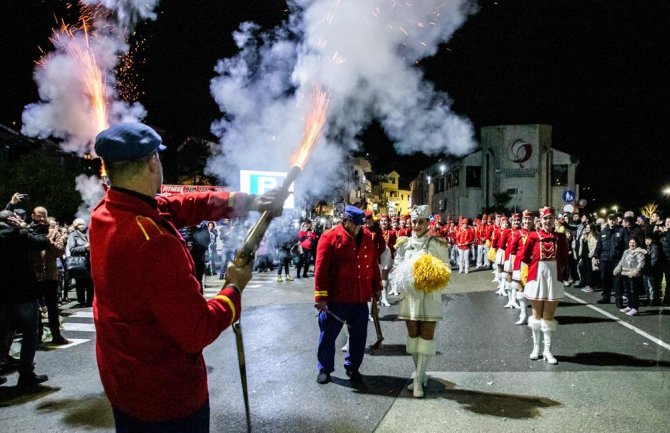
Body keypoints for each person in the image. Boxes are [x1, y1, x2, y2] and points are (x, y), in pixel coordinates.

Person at [89, 122, 286, 432]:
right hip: (165, 399)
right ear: (153, 161)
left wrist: (249, 201)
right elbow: (197, 331)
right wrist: (234, 286)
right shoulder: (152, 240)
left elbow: (184, 204)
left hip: (124, 382)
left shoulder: (106, 210)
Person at [314, 205, 382, 385]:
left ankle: (353, 367)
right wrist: (321, 298)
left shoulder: (367, 236)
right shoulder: (329, 237)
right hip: (337, 298)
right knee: (328, 335)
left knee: (359, 336)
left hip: (360, 297)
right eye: (356, 225)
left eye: (361, 225)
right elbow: (321, 270)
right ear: (346, 221)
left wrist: (377, 286)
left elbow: (372, 263)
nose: (359, 228)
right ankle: (325, 368)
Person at [390, 204, 450, 398]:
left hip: (430, 295)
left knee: (426, 337)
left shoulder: (438, 243)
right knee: (413, 337)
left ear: (427, 223)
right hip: (411, 296)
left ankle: (418, 381)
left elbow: (446, 268)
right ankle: (421, 374)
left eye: (420, 222)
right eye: (414, 222)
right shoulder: (403, 243)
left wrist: (433, 275)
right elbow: (397, 267)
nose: (416, 225)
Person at [0, 209, 50, 386]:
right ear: (13, 219)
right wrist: (25, 227)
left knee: (2, 333)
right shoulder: (19, 234)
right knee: (30, 333)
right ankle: (26, 372)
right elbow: (42, 242)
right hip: (24, 292)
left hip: (2, 295)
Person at [521, 207, 568, 365]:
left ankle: (547, 350)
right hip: (537, 278)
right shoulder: (533, 236)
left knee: (548, 317)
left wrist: (556, 272)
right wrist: (536, 267)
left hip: (554, 278)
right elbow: (523, 256)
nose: (548, 221)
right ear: (540, 220)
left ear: (554, 219)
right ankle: (536, 349)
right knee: (536, 316)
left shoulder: (560, 237)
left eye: (551, 218)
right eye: (545, 218)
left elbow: (563, 258)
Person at [30, 206, 69, 345]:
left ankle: (56, 334)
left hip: (50, 275)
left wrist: (48, 240)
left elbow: (60, 251)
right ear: (33, 216)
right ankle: (37, 335)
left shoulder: (54, 232)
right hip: (33, 275)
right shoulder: (28, 231)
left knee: (52, 307)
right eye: (38, 216)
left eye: (44, 216)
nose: (41, 219)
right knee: (35, 308)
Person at [594, 214, 625, 306]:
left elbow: (625, 245)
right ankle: (605, 297)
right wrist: (596, 256)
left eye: (613, 220)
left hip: (616, 259)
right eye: (610, 220)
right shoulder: (603, 231)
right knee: (605, 279)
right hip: (604, 259)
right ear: (607, 220)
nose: (612, 221)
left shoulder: (621, 231)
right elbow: (599, 245)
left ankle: (618, 300)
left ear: (616, 220)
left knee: (617, 280)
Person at [615, 238, 647, 316]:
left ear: (637, 244)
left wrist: (636, 271)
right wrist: (617, 268)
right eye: (630, 242)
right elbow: (622, 261)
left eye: (634, 243)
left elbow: (641, 263)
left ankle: (635, 308)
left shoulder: (640, 252)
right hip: (625, 274)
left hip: (634, 275)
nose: (631, 244)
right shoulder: (626, 251)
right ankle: (629, 306)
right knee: (628, 291)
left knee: (634, 292)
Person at [66, 218, 94, 307]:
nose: (82, 226)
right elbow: (72, 249)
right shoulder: (72, 235)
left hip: (90, 262)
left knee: (90, 283)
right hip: (80, 262)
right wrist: (85, 248)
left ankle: (90, 301)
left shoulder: (88, 234)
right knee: (80, 282)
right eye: (79, 224)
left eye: (83, 224)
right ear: (75, 226)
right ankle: (81, 301)